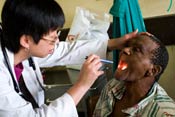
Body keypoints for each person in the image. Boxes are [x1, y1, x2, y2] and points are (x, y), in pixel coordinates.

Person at [0, 0, 139, 116]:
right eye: (51, 38)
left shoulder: (18, 44)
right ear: (26, 41)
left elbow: (63, 51)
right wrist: (82, 85)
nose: (57, 42)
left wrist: (114, 43)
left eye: (57, 33)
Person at [93, 33, 175, 117]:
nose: (125, 50)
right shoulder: (111, 87)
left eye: (136, 49)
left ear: (153, 70)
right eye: (127, 46)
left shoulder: (164, 114)